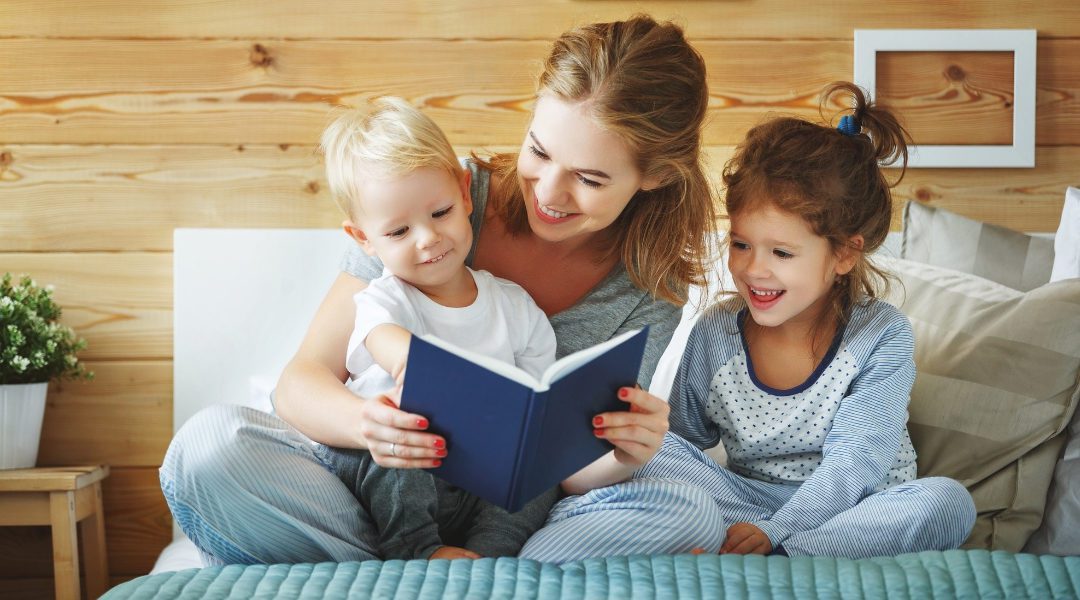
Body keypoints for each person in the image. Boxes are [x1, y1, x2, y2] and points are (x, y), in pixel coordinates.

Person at [159, 14, 716, 565]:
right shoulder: (425, 196)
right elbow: (301, 383)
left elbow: (571, 471)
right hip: (379, 484)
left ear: (656, 176)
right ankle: (445, 569)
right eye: (540, 151)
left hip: (513, 510)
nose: (548, 191)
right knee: (208, 449)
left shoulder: (650, 285)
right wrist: (368, 425)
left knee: (690, 510)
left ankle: (445, 569)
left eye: (590, 179)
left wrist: (622, 455)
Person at [519, 82, 977, 563]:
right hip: (744, 505)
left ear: (844, 253)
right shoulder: (716, 330)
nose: (754, 269)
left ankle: (778, 561)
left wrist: (777, 535)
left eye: (781, 252)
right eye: (741, 244)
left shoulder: (881, 336)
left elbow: (854, 464)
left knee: (946, 502)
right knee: (651, 450)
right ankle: (614, 530)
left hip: (853, 512)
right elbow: (683, 448)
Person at [321, 97, 561, 560]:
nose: (428, 239)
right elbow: (382, 336)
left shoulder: (513, 305)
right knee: (390, 456)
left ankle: (492, 551)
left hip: (476, 473)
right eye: (397, 232)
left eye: (440, 213)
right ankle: (418, 552)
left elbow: (538, 389)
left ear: (466, 194)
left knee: (540, 467)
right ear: (363, 240)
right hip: (399, 462)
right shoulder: (382, 299)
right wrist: (415, 364)